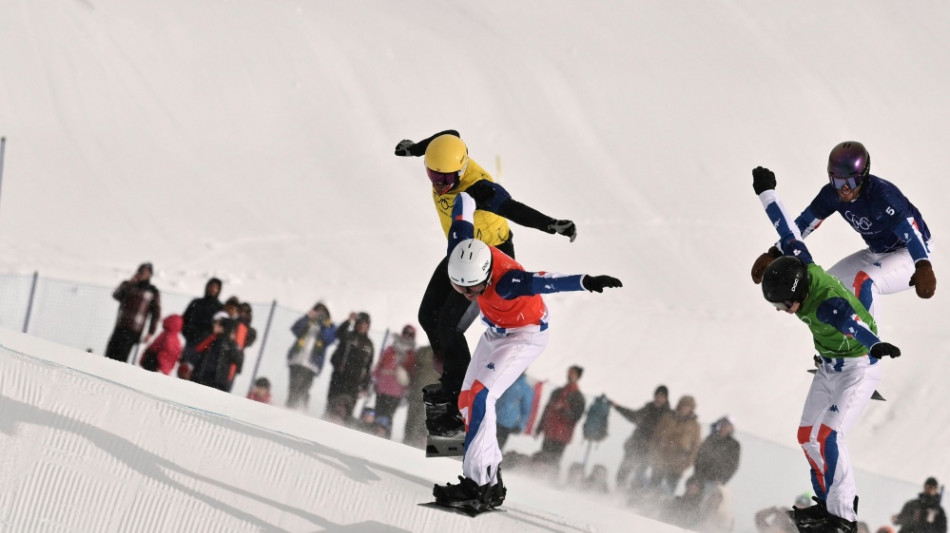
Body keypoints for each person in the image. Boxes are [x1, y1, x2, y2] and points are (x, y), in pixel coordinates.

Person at [430, 191, 621, 512]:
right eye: (458, 287)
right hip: (496, 330)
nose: (464, 294)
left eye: (470, 289)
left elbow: (547, 282)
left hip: (525, 335)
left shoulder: (507, 282)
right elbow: (461, 211)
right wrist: (465, 191)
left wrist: (588, 281)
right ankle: (489, 479)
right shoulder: (461, 251)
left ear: (487, 275)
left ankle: (477, 483)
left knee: (480, 397)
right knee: (465, 402)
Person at [395, 130, 578, 437]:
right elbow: (450, 134)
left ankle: (458, 398)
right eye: (432, 176)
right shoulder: (447, 159)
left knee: (450, 325)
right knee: (428, 316)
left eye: (444, 179)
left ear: (462, 168)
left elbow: (511, 208)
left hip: (490, 259)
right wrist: (418, 149)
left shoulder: (477, 187)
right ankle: (452, 381)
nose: (438, 184)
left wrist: (550, 225)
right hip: (463, 251)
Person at [752, 167, 903, 532]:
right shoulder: (800, 264)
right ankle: (825, 503)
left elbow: (854, 324)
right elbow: (786, 229)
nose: (782, 312)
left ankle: (844, 519)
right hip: (829, 367)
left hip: (857, 369)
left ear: (797, 297)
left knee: (828, 436)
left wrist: (876, 344)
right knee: (806, 436)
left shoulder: (823, 305)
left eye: (782, 306)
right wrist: (766, 193)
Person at [749, 142, 935, 319]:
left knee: (865, 282)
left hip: (911, 253)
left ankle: (868, 350)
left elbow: (911, 233)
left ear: (863, 176)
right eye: (838, 182)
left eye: (852, 182)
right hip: (878, 252)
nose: (845, 189)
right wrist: (775, 252)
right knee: (825, 286)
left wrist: (923, 264)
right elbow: (804, 224)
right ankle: (835, 347)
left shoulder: (883, 196)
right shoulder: (831, 195)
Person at [611, 384, 672, 490]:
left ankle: (632, 499)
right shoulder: (648, 409)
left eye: (661, 397)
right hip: (635, 446)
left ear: (666, 399)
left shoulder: (668, 416)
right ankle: (618, 494)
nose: (658, 399)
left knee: (638, 479)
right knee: (622, 474)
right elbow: (633, 416)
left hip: (649, 452)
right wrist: (617, 407)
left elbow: (668, 436)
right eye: (657, 396)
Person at [533, 365, 587, 477]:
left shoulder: (578, 397)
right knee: (543, 457)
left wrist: (563, 410)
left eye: (572, 373)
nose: (569, 375)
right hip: (550, 430)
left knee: (554, 460)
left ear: (578, 376)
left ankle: (550, 479)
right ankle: (537, 477)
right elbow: (546, 410)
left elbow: (576, 417)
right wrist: (540, 427)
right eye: (569, 372)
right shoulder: (557, 391)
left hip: (562, 435)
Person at [104, 262, 162, 363]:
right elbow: (116, 295)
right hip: (120, 325)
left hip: (134, 330)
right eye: (142, 271)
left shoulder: (152, 291)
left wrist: (150, 332)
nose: (143, 274)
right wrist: (130, 283)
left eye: (146, 272)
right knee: (109, 353)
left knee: (121, 357)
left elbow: (156, 313)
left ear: (150, 274)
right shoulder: (129, 285)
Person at [325, 312, 375, 424]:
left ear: (368, 326)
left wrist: (365, 385)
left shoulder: (369, 345)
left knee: (347, 413)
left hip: (355, 384)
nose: (361, 326)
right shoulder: (348, 336)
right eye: (359, 323)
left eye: (364, 324)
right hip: (339, 379)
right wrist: (348, 321)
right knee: (331, 407)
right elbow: (339, 333)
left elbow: (368, 367)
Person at [286, 303, 336, 409]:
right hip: (297, 360)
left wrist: (323, 325)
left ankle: (300, 408)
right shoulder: (308, 321)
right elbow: (295, 329)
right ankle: (290, 408)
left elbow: (328, 339)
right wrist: (307, 317)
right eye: (318, 311)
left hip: (312, 364)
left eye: (323, 312)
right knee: (293, 388)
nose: (320, 314)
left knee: (303, 390)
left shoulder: (329, 326)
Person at [371, 324, 418, 438]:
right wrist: (374, 379)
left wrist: (407, 392)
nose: (407, 336)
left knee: (388, 417)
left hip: (397, 392)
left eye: (410, 334)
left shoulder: (412, 355)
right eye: (405, 333)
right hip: (382, 388)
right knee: (378, 414)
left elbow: (411, 374)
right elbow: (380, 365)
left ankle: (384, 438)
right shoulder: (390, 349)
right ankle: (372, 435)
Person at [648, 395, 701, 494]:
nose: (685, 408)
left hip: (677, 464)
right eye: (684, 405)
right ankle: (645, 504)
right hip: (660, 458)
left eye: (688, 406)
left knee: (668, 490)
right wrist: (653, 454)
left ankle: (661, 508)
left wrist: (686, 463)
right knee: (653, 486)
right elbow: (655, 436)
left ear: (692, 409)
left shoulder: (695, 426)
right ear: (679, 405)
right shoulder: (668, 418)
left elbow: (695, 447)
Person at [179, 277, 223, 380]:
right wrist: (189, 335)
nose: (213, 289)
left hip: (207, 350)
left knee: (199, 379)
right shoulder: (197, 303)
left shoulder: (220, 308)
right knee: (183, 375)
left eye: (216, 287)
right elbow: (183, 320)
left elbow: (222, 328)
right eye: (211, 286)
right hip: (191, 345)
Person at [192, 313, 242, 392]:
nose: (214, 326)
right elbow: (198, 350)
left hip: (215, 382)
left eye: (218, 324)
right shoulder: (212, 338)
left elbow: (238, 361)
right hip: (204, 378)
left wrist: (231, 343)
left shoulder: (228, 344)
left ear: (223, 328)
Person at [692, 416, 741, 491]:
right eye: (723, 425)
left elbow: (733, 465)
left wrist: (722, 480)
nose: (724, 427)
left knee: (708, 500)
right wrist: (697, 476)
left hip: (716, 481)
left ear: (731, 428)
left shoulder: (734, 445)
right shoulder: (710, 439)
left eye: (727, 426)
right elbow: (699, 457)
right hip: (701, 478)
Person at [494, 372, 534, 450]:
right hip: (493, 419)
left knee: (496, 448)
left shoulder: (525, 388)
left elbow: (526, 410)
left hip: (506, 424)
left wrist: (520, 425)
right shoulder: (505, 380)